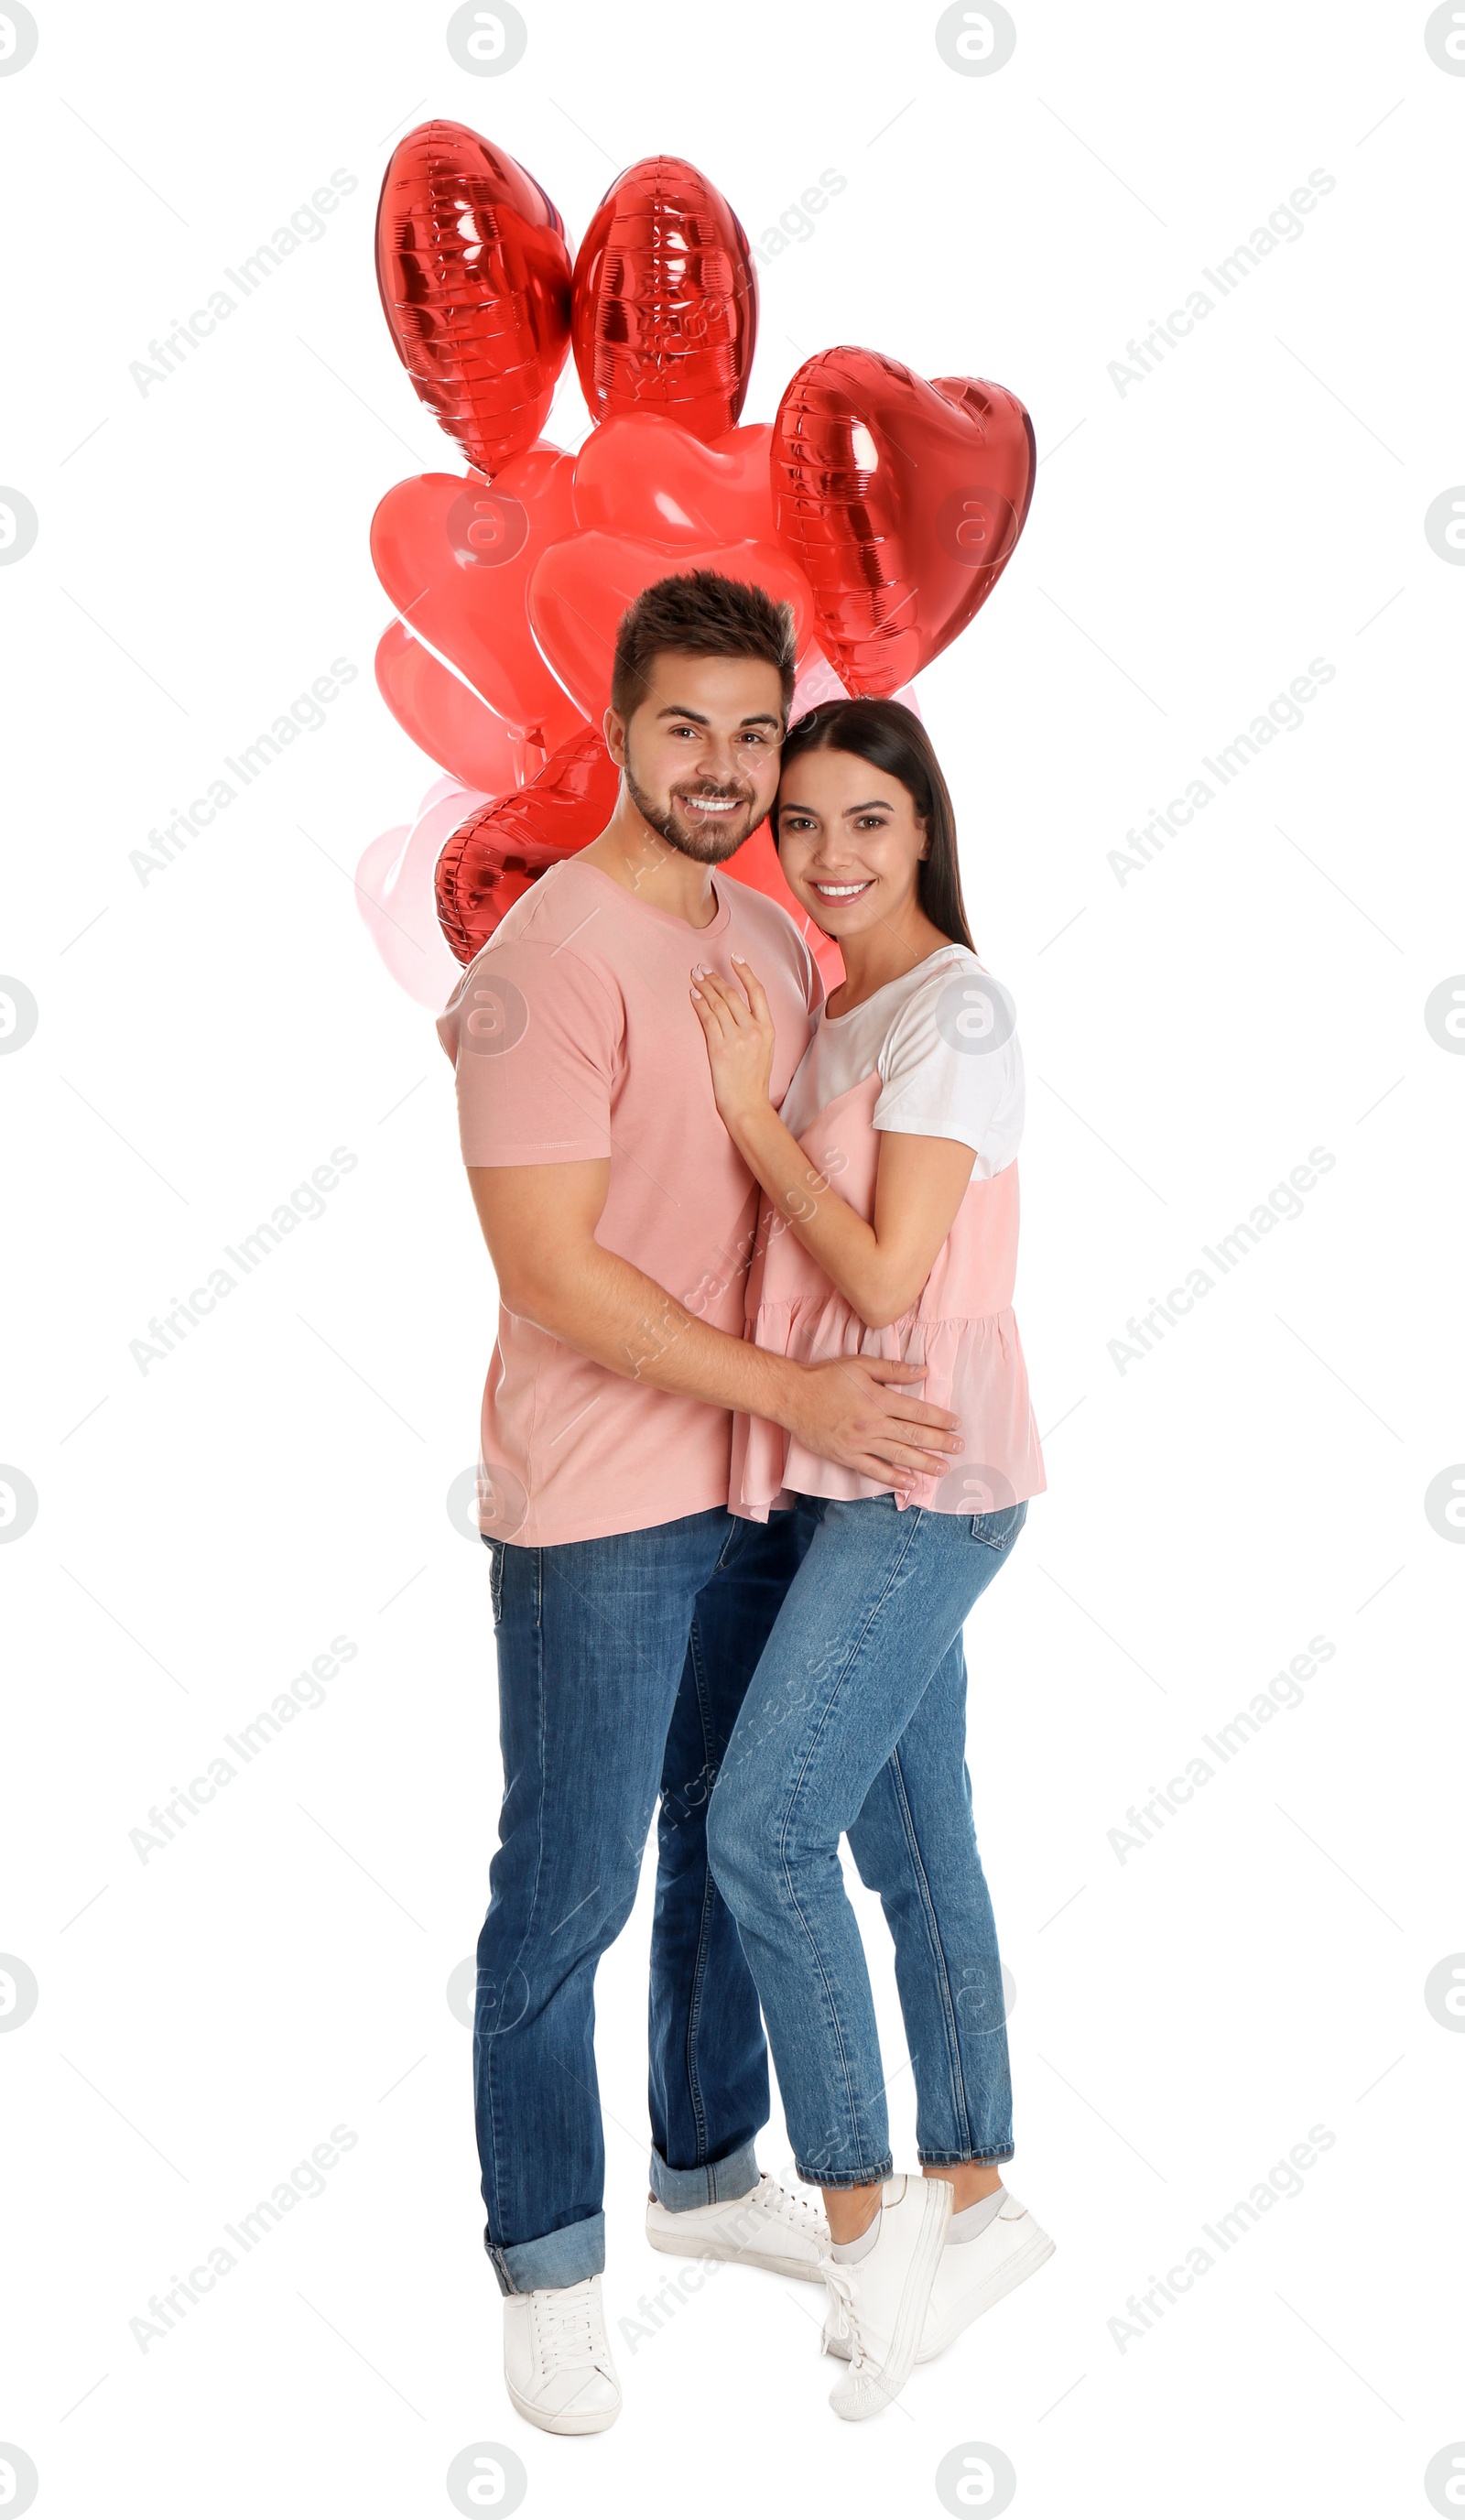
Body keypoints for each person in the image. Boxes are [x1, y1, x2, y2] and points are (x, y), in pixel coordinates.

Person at [435, 577, 965, 2437]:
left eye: (758, 731)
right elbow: (555, 1276)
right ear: (614, 721)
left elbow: (826, 1174)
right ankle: (547, 2260)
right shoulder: (536, 965)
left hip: (768, 1479)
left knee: (723, 1841)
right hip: (598, 1499)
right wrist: (799, 1392)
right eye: (688, 728)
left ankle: (697, 2164)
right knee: (564, 1885)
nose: (728, 767)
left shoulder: (765, 926)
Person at [692, 696, 1053, 2422]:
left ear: (927, 833)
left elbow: (895, 1278)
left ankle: (860, 2220)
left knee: (764, 1828)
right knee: (914, 1847)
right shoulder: (847, 1009)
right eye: (805, 825)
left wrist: (751, 1125)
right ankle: (977, 2198)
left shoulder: (957, 1009)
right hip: (851, 1468)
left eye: (869, 825)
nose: (828, 858)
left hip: (928, 1469)